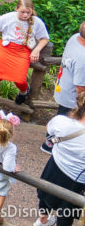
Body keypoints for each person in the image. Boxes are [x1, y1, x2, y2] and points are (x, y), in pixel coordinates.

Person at [0, 0, 50, 105]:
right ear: (16, 9)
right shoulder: (7, 18)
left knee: (20, 80)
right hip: (6, 48)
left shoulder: (36, 22)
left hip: (23, 51)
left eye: (28, 12)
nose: (25, 15)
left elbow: (44, 38)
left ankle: (23, 92)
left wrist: (36, 50)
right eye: (22, 12)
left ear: (32, 11)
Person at [34, 93, 85, 226]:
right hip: (76, 180)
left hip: (54, 167)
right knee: (66, 212)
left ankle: (42, 220)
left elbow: (49, 129)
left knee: (45, 197)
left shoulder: (61, 121)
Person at [45, 23, 85, 153]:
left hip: (63, 87)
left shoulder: (74, 38)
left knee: (61, 116)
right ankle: (51, 145)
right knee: (66, 122)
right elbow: (80, 87)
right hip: (72, 96)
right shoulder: (83, 59)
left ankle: (49, 142)